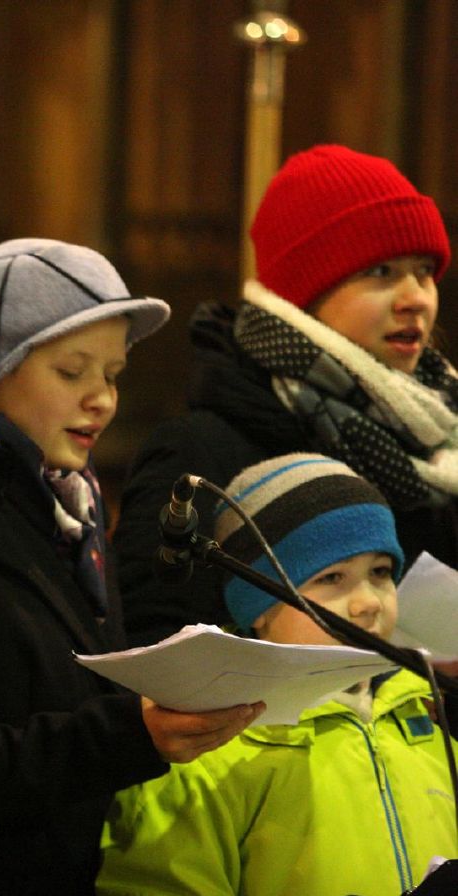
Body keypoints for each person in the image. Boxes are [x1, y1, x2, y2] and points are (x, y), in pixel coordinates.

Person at [0, 238, 263, 896]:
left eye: (112, 374)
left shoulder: (71, 515)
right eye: (72, 372)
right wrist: (129, 734)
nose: (103, 400)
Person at [115, 144, 458, 647]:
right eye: (381, 272)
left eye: (424, 270)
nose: (416, 299)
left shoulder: (437, 440)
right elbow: (158, 648)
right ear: (304, 294)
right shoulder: (202, 453)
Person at [99, 453, 458, 896]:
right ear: (259, 607)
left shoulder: (424, 716)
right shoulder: (202, 745)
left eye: (380, 572)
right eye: (331, 578)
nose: (368, 602)